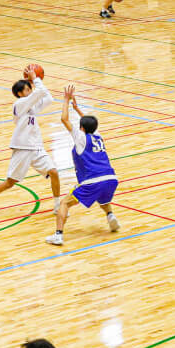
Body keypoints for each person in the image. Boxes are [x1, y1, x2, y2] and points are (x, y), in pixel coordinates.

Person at [0, 67, 62, 217]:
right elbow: (40, 93)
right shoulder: (19, 104)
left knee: (54, 172)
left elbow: (49, 98)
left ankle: (57, 205)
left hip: (36, 148)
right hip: (22, 148)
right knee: (10, 182)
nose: (30, 91)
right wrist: (35, 79)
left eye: (30, 88)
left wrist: (36, 81)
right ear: (19, 94)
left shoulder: (32, 105)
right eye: (27, 89)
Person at [48, 85, 120, 246]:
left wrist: (66, 100)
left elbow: (64, 120)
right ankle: (111, 217)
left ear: (81, 128)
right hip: (111, 179)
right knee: (102, 199)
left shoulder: (80, 138)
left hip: (92, 181)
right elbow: (90, 123)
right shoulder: (98, 136)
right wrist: (78, 109)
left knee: (65, 203)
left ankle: (58, 235)